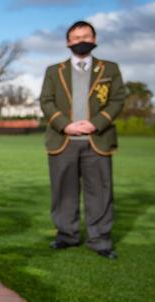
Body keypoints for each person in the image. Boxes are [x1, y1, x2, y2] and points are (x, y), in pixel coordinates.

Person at [39, 20, 126, 259]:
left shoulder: (110, 69)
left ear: (95, 39)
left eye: (86, 36)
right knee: (63, 191)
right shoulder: (53, 71)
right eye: (76, 38)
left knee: (99, 191)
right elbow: (46, 101)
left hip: (98, 139)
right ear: (68, 42)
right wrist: (65, 125)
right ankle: (67, 236)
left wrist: (95, 123)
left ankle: (100, 240)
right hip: (62, 140)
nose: (81, 41)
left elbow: (118, 100)